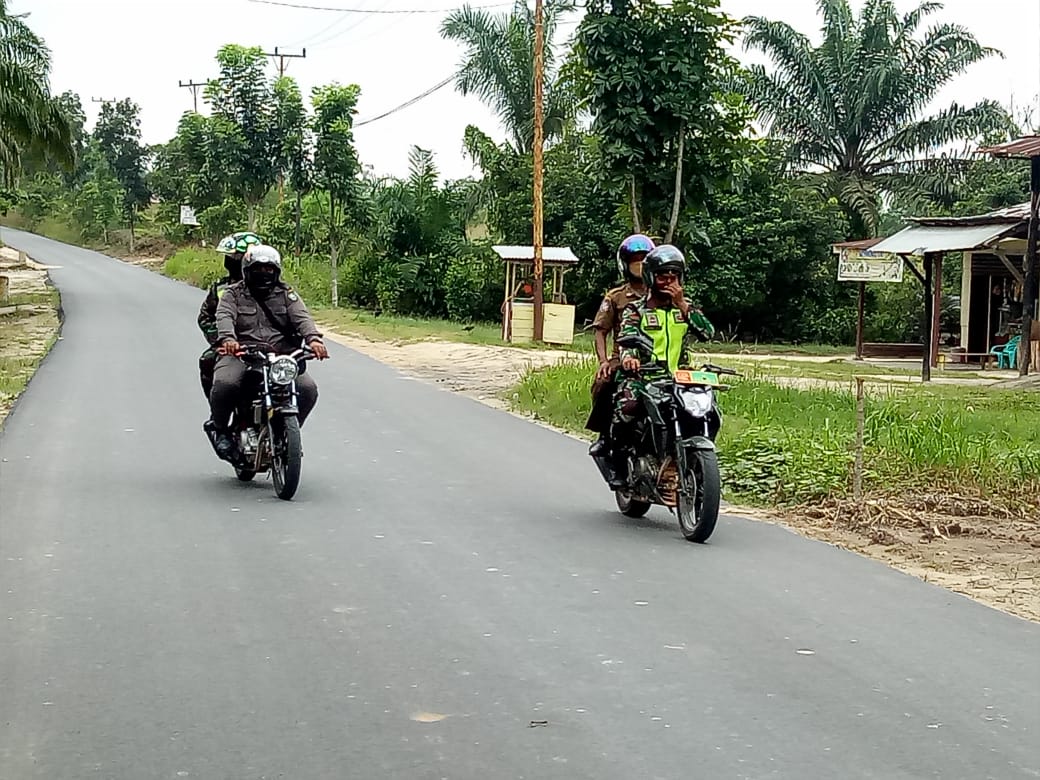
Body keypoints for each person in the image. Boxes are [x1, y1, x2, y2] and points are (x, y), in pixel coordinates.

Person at [206, 244, 329, 461]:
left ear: (277, 271)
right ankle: (220, 430)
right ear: (247, 270)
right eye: (259, 269)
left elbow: (302, 317)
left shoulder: (286, 294)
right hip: (242, 353)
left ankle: (287, 435)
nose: (264, 274)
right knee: (225, 383)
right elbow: (224, 316)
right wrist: (228, 339)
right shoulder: (233, 293)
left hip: (281, 356)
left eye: (269, 270)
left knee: (308, 389)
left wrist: (314, 340)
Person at [611, 244, 715, 478]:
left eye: (674, 277)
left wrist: (682, 304)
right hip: (644, 377)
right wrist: (630, 360)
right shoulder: (635, 310)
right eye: (662, 277)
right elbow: (625, 341)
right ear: (650, 277)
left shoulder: (685, 309)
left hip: (681, 379)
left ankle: (693, 461)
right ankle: (619, 464)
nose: (669, 282)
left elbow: (707, 332)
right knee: (626, 409)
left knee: (707, 410)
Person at [586, 234, 655, 487]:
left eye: (644, 259)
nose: (639, 264)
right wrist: (604, 361)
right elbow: (601, 331)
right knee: (608, 383)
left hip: (658, 362)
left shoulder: (662, 294)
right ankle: (607, 438)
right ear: (625, 264)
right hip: (623, 359)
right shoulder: (616, 297)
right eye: (635, 260)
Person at [197, 231, 263, 398]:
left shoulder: (274, 287)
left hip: (269, 348)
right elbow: (205, 318)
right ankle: (218, 416)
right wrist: (222, 341)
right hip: (232, 348)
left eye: (235, 258)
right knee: (207, 362)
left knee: (303, 387)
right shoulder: (221, 288)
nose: (230, 262)